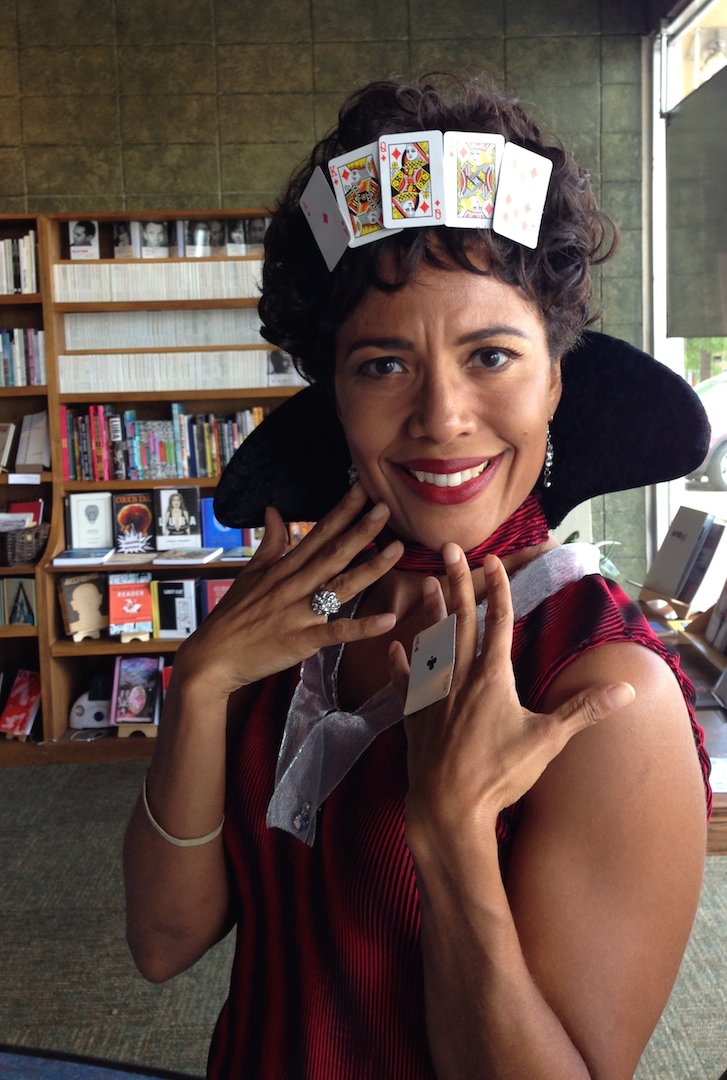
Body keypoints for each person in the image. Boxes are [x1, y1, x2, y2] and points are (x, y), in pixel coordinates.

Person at [123, 75, 712, 1080]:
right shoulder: (291, 621)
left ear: (555, 377)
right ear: (334, 391)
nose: (440, 417)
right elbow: (162, 941)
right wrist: (203, 686)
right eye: (383, 364)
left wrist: (451, 840)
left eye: (490, 355)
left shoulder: (602, 690)